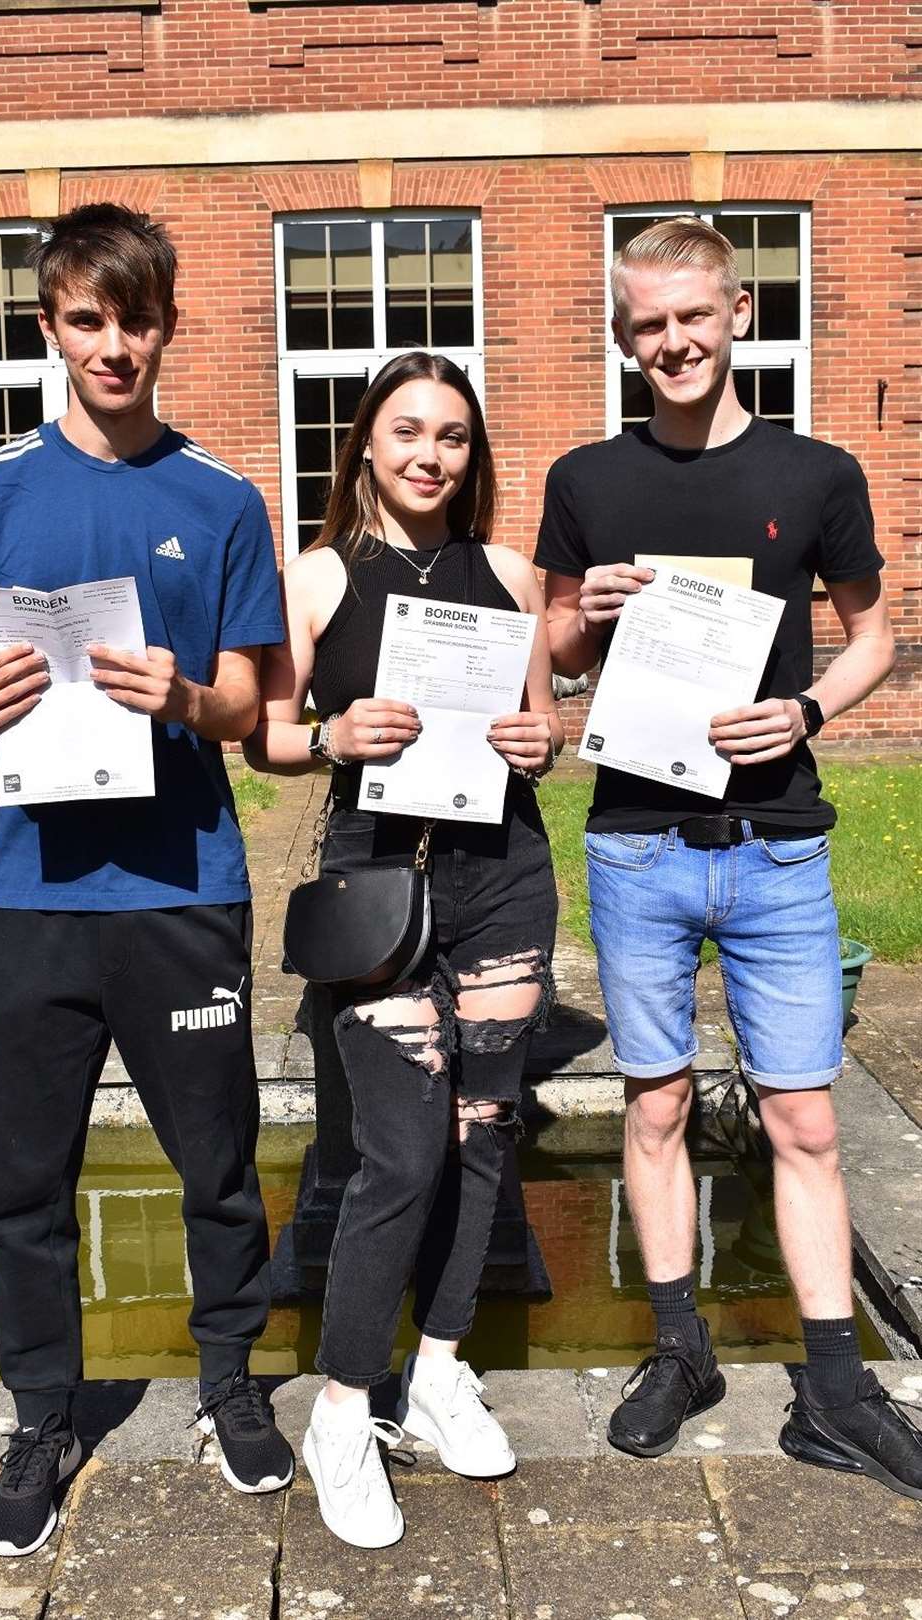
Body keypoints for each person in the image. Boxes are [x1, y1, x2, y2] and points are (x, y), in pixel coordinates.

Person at [0, 202, 294, 1557]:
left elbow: (253, 703)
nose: (114, 344)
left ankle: (234, 1387)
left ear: (168, 326)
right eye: (88, 318)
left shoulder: (224, 499)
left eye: (136, 319)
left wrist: (183, 693)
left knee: (218, 1167)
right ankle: (39, 1417)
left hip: (182, 889)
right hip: (34, 897)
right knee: (25, 1178)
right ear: (50, 327)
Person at [537, 216, 920, 1500]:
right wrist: (579, 618)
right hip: (638, 843)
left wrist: (807, 710)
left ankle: (833, 1388)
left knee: (803, 1117)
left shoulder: (817, 473)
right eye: (647, 325)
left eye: (692, 316)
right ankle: (679, 1350)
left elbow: (875, 637)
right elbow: (552, 651)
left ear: (738, 312)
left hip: (775, 843)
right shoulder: (588, 477)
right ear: (620, 334)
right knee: (652, 1106)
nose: (673, 342)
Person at [245, 351, 562, 1547]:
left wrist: (544, 740)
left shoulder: (514, 573)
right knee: (396, 1159)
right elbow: (265, 737)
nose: (432, 456)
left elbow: (541, 729)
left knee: (485, 1139)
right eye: (409, 431)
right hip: (377, 886)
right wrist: (332, 733)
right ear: (367, 444)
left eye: (455, 438)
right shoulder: (319, 577)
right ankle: (341, 1407)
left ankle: (436, 1367)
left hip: (504, 882)